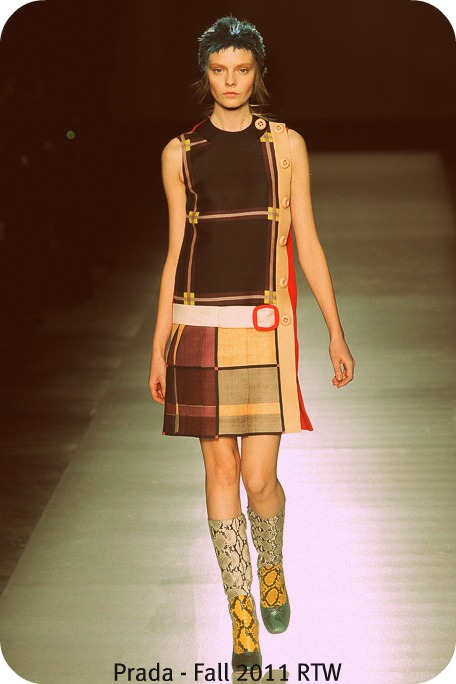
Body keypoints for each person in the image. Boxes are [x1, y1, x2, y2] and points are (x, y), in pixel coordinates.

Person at [149, 16, 355, 674]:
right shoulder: (180, 153)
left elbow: (307, 240)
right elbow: (175, 252)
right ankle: (242, 619)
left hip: (264, 328)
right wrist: (158, 345)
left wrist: (335, 330)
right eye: (219, 70)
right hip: (198, 327)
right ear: (204, 74)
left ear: (258, 72)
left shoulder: (285, 147)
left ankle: (271, 566)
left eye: (242, 70)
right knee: (221, 472)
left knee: (260, 479)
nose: (231, 81)